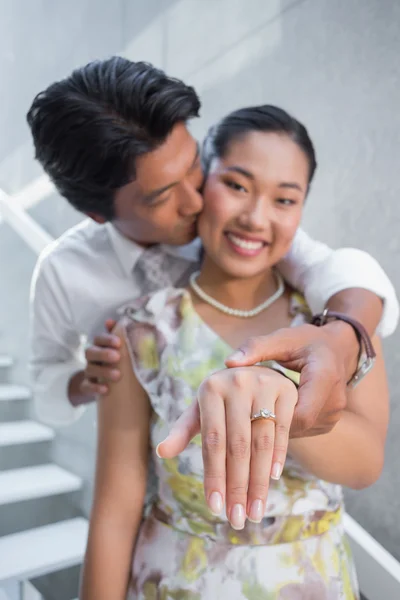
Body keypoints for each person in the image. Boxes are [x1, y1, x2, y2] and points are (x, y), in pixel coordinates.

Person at [27, 57, 397, 505]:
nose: (195, 198)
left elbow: (342, 272)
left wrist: (341, 338)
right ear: (99, 214)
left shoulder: (235, 226)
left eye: (194, 166)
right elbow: (45, 382)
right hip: (156, 486)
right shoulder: (64, 272)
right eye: (164, 194)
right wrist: (83, 381)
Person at [81, 105, 389, 599]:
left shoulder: (330, 321)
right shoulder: (141, 331)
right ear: (203, 181)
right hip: (173, 580)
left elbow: (365, 464)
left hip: (312, 579)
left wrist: (282, 393)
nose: (255, 217)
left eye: (285, 200)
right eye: (238, 186)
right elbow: (116, 509)